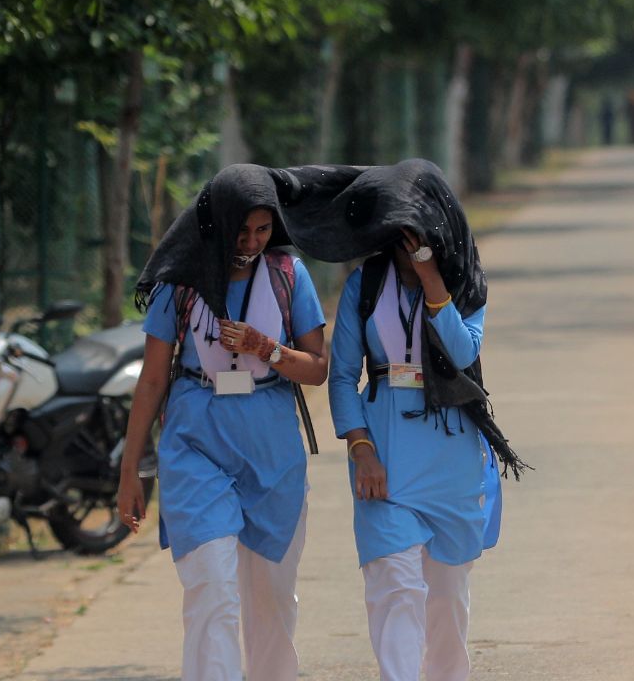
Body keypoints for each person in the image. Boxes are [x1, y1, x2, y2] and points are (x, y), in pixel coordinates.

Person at [274, 158, 526, 681]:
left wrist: (435, 285)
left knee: (448, 603)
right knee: (395, 585)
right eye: (399, 232)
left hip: (451, 453)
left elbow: (462, 354)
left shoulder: (466, 285)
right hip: (383, 450)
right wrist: (360, 447)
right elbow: (342, 376)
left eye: (419, 233)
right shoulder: (365, 285)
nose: (409, 244)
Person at [117, 164, 328, 681]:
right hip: (196, 439)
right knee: (212, 582)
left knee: (271, 595)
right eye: (241, 230)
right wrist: (130, 470)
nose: (251, 242)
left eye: (261, 230)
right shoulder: (180, 281)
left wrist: (266, 348)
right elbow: (151, 380)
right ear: (217, 222)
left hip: (271, 444)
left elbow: (317, 369)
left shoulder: (287, 274)